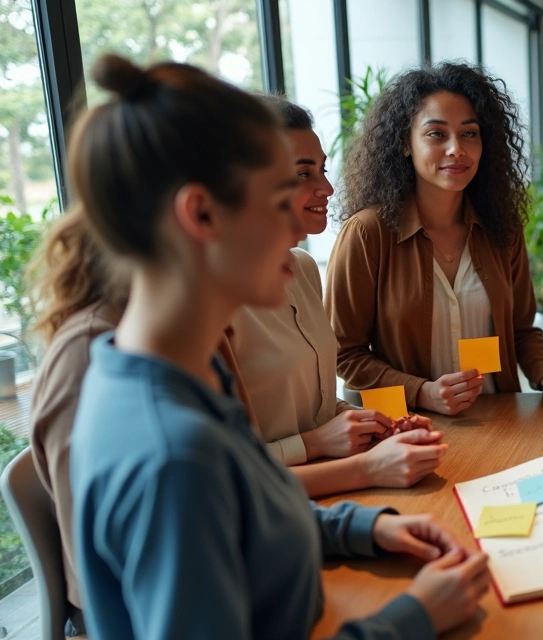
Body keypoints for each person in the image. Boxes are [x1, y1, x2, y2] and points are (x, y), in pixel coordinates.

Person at [69, 54, 488, 638]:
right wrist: (413, 617)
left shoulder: (178, 372)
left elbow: (250, 506)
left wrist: (362, 529)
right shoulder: (173, 456)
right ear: (201, 214)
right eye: (277, 201)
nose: (297, 225)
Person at [27, 213, 256, 634]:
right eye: (277, 202)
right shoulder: (91, 352)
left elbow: (249, 496)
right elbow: (114, 571)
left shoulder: (189, 331)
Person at [327, 62, 543, 416]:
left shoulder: (502, 229)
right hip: (409, 427)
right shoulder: (367, 233)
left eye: (469, 133)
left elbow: (522, 332)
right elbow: (344, 353)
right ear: (405, 143)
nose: (456, 149)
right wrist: (422, 392)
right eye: (436, 134)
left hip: (501, 421)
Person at [232, 95, 445, 498]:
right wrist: (317, 445)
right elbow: (222, 473)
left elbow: (315, 409)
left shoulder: (302, 269)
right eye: (303, 173)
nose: (327, 188)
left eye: (322, 170)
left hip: (331, 489)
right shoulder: (213, 303)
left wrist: (374, 424)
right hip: (283, 501)